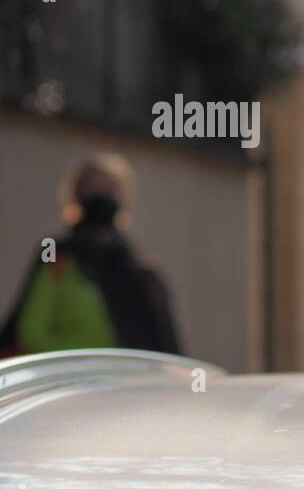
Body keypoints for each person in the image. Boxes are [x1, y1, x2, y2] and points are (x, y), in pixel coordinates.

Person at [0, 153, 181, 357]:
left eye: (109, 189)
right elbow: (31, 333)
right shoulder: (56, 257)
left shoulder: (142, 275)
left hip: (124, 383)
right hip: (65, 379)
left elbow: (162, 349)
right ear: (76, 196)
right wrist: (82, 359)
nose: (101, 196)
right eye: (93, 189)